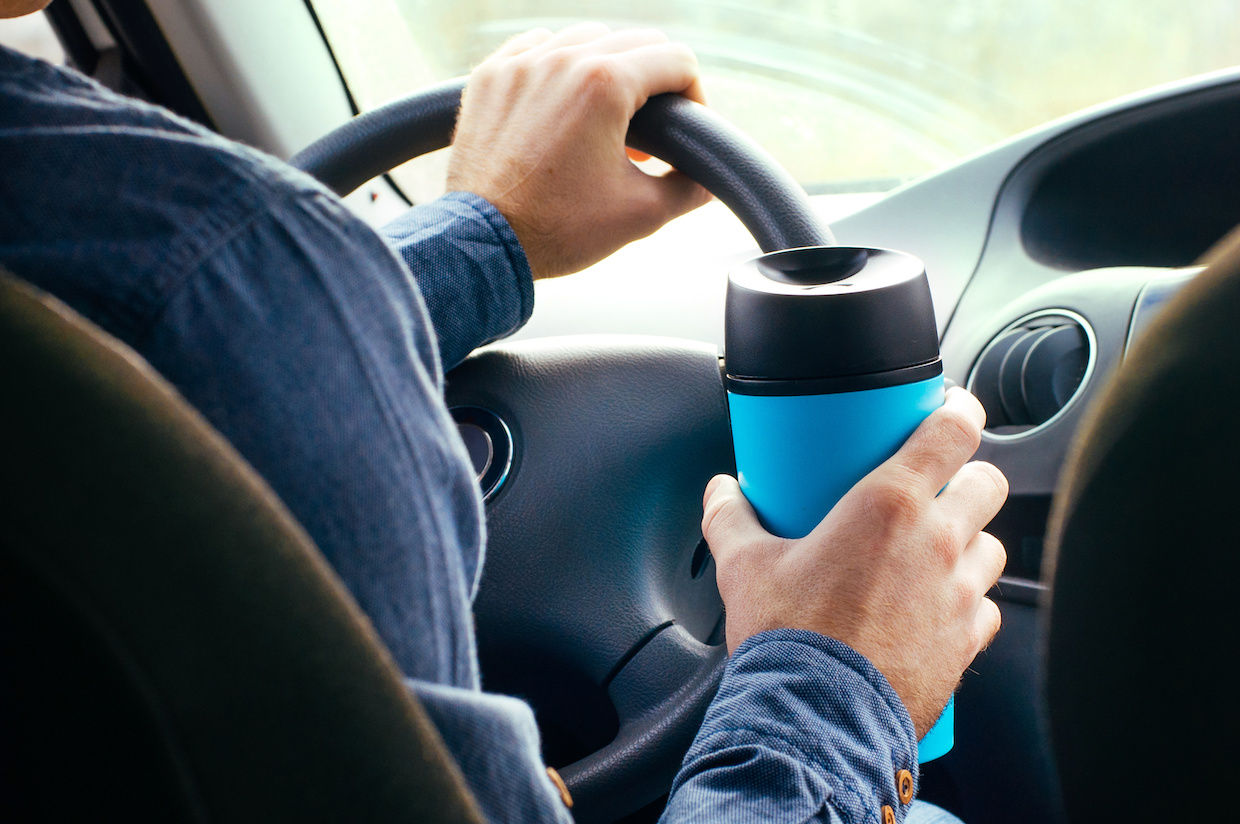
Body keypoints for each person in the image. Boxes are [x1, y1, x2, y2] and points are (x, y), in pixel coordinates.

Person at [1, 3, 1007, 822]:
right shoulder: (235, 273)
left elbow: (152, 372)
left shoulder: (177, 279)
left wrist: (474, 242)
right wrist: (833, 674)